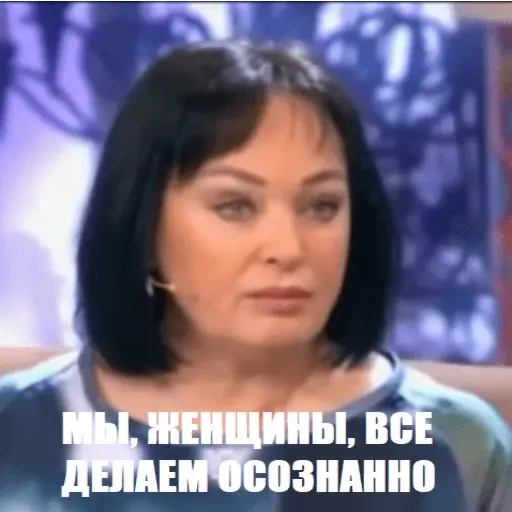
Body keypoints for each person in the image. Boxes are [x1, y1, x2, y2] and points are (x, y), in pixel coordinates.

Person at [0, 40, 509, 511]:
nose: (288, 249)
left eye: (322, 206)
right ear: (143, 224)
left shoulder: (456, 444)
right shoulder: (17, 429)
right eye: (236, 206)